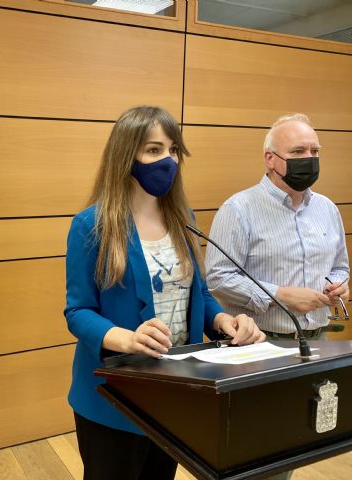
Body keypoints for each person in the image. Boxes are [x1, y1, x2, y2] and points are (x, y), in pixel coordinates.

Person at [64, 105, 266, 480]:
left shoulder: (183, 219)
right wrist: (126, 339)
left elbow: (199, 293)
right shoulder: (91, 225)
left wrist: (223, 321)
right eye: (154, 150)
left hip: (174, 390)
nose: (168, 160)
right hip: (114, 395)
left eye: (173, 150)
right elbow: (78, 312)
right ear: (126, 155)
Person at [205, 113, 350, 345]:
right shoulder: (238, 209)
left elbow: (340, 267)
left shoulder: (327, 208)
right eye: (298, 151)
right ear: (270, 159)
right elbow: (219, 278)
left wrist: (338, 286)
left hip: (318, 338)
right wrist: (280, 295)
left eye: (315, 151)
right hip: (258, 341)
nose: (309, 158)